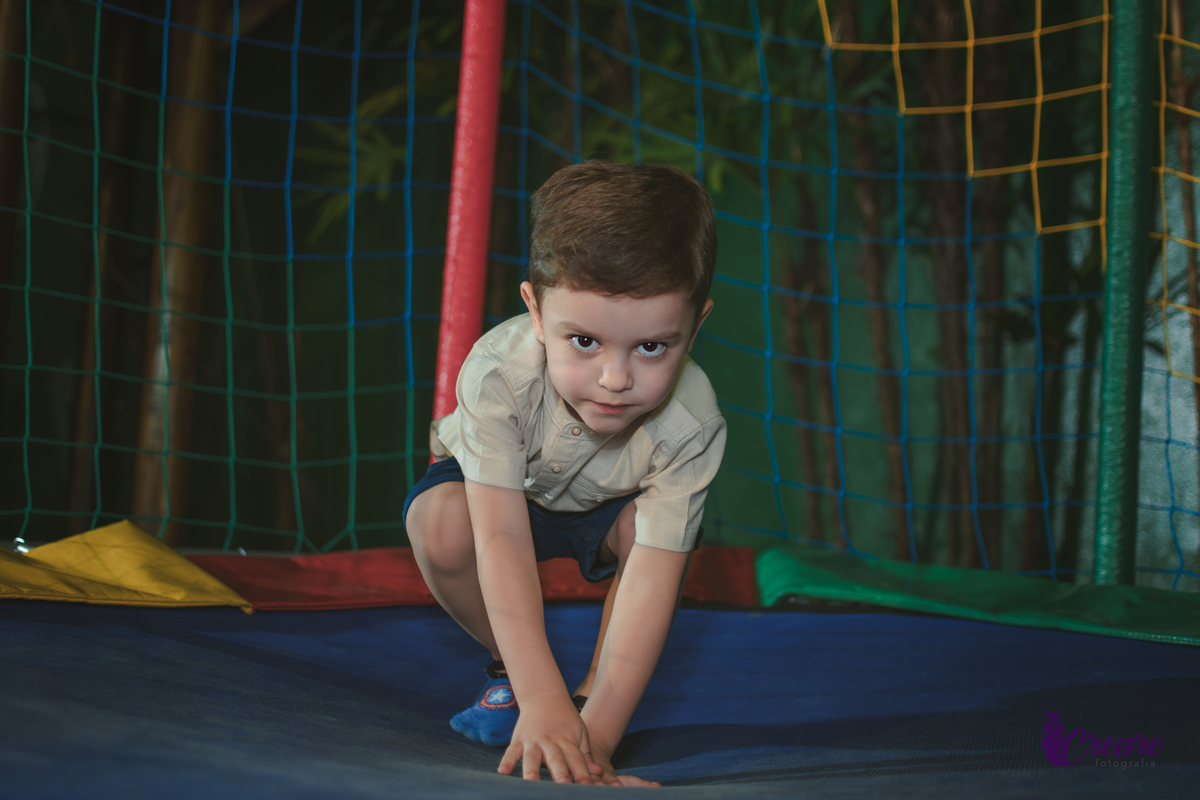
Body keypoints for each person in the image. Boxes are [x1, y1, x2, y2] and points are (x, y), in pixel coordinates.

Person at [404, 160, 726, 786]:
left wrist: (590, 743)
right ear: (534, 308)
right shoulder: (501, 374)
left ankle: (583, 701)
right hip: (503, 496)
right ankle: (511, 666)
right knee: (441, 525)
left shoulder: (694, 423)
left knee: (647, 533)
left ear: (696, 325)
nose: (615, 379)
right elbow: (498, 537)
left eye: (652, 347)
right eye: (583, 341)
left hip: (606, 511)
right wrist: (539, 696)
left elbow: (657, 582)